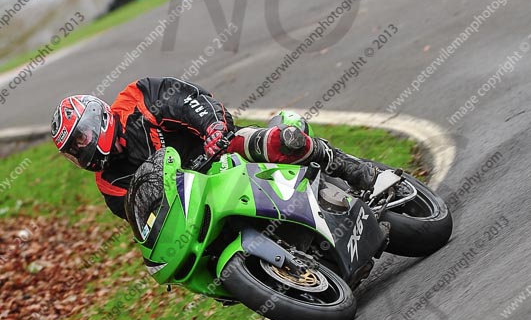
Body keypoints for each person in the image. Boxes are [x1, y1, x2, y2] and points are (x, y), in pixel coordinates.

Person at [50, 77, 377, 220]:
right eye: (71, 151)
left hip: (217, 149)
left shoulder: (138, 98)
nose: (79, 152)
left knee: (278, 141)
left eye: (79, 139)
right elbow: (145, 220)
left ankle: (353, 169)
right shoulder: (110, 184)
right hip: (199, 202)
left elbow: (187, 100)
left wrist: (213, 128)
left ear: (97, 120)